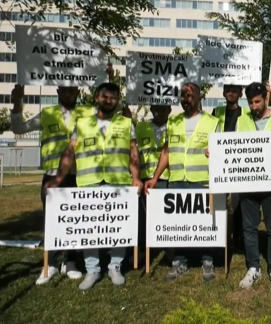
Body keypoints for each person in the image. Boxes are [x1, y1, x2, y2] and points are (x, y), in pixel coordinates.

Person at [44, 82, 142, 291]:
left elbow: (133, 152)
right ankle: (92, 269)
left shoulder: (126, 123)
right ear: (96, 98)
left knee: (119, 227)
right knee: (90, 228)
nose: (109, 101)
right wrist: (58, 179)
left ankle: (115, 266)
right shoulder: (82, 123)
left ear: (117, 101)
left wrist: (136, 178)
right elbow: (69, 152)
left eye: (113, 98)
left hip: (118, 184)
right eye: (105, 97)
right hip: (89, 184)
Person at [10, 84, 93, 284]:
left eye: (71, 90)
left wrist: (109, 77)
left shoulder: (88, 112)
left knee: (75, 220)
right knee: (52, 220)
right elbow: (18, 128)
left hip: (78, 175)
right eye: (63, 90)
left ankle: (70, 261)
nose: (67, 93)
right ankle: (51, 263)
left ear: (78, 93)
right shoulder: (46, 114)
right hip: (52, 176)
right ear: (57, 92)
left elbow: (113, 111)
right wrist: (16, 101)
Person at [144, 82, 220, 282]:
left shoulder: (212, 122)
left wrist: (214, 155)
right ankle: (180, 262)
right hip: (177, 181)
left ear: (198, 98)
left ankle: (207, 260)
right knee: (179, 225)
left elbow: (220, 152)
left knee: (205, 223)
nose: (185, 100)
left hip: (202, 181)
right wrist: (155, 177)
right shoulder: (174, 121)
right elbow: (167, 151)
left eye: (189, 96)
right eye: (182, 96)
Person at [231, 82, 271, 291]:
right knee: (249, 227)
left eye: (257, 101)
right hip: (248, 182)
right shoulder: (242, 120)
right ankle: (253, 268)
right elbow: (233, 147)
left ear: (266, 99)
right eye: (250, 102)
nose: (253, 106)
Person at [212, 84, 249, 252]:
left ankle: (238, 237)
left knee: (238, 202)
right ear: (224, 93)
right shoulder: (216, 112)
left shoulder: (245, 114)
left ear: (240, 93)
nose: (231, 93)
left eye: (234, 90)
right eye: (228, 90)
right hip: (220, 162)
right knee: (219, 201)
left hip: (238, 163)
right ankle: (218, 236)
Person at [135, 105, 172, 258]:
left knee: (166, 215)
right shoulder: (140, 127)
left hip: (168, 177)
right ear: (150, 109)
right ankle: (145, 248)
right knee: (145, 215)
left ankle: (168, 247)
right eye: (155, 109)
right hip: (145, 178)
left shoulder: (174, 125)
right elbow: (134, 151)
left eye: (162, 109)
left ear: (169, 109)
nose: (159, 112)